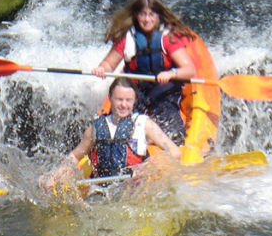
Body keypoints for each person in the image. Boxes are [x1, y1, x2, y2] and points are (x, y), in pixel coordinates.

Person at [92, 0, 197, 146]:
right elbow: (109, 64)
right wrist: (101, 68)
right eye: (142, 14)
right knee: (122, 127)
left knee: (175, 134)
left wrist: (171, 73)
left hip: (163, 91)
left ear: (158, 16)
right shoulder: (127, 38)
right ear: (136, 15)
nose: (147, 19)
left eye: (151, 15)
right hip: (135, 92)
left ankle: (159, 142)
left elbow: (189, 70)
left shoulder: (168, 38)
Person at [39, 78, 181, 187]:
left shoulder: (144, 125)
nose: (124, 105)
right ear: (111, 98)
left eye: (128, 100)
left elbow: (175, 152)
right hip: (102, 188)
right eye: (119, 99)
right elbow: (75, 156)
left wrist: (149, 166)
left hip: (133, 187)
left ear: (134, 101)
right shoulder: (95, 128)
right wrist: (57, 173)